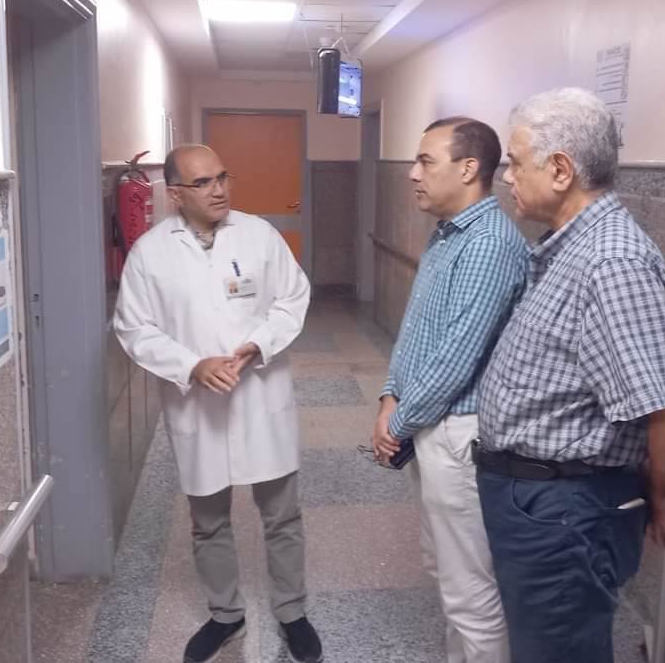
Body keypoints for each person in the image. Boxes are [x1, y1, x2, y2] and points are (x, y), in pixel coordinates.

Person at [473, 88, 665, 663]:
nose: (507, 177)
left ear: (560, 170)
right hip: (537, 502)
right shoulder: (570, 249)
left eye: (515, 163)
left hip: (564, 512)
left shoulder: (612, 262)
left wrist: (662, 490)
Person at [114, 145, 322, 663]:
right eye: (203, 183)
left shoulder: (259, 235)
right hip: (197, 405)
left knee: (282, 515)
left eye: (222, 178)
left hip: (261, 394)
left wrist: (259, 344)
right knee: (208, 520)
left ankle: (292, 611)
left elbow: (293, 297)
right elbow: (134, 327)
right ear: (175, 194)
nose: (219, 190)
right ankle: (225, 613)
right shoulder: (150, 253)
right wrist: (191, 366)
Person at [371, 117, 528, 663]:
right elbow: (418, 330)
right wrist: (390, 395)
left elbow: (456, 357)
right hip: (428, 423)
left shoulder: (488, 244)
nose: (412, 174)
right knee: (444, 568)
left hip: (458, 433)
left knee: (470, 590)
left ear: (468, 169)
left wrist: (396, 422)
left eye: (425, 161)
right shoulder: (449, 233)